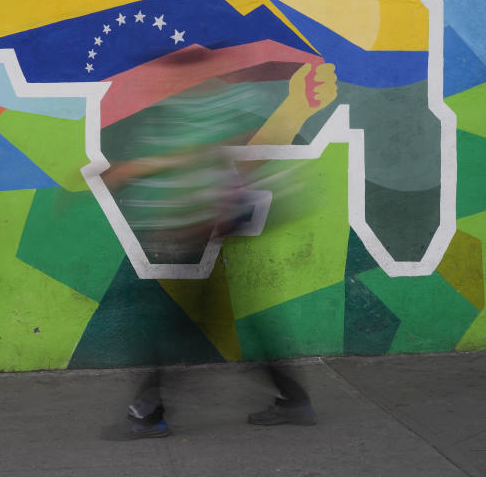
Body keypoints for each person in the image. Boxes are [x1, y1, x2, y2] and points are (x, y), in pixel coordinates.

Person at [101, 61, 336, 439]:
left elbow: (221, 156)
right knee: (211, 323)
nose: (170, 76)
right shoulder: (199, 104)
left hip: (204, 227)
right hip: (204, 227)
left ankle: (149, 413)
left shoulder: (212, 104)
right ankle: (293, 399)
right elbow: (208, 156)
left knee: (176, 325)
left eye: (177, 69)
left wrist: (138, 174)